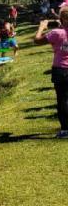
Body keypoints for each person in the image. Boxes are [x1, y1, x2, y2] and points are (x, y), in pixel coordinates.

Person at [34, 9, 68, 137]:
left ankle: (65, 130)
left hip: (61, 70)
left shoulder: (56, 33)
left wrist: (41, 27)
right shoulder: (59, 32)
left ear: (63, 19)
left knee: (62, 100)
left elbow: (36, 40)